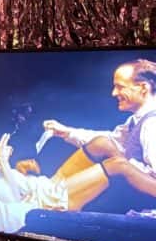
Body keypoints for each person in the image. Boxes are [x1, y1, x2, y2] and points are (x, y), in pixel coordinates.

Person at [43, 59, 156, 204]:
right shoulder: (137, 120)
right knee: (102, 143)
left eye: (120, 87)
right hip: (137, 187)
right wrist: (67, 132)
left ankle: (53, 198)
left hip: (149, 197)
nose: (114, 93)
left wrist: (124, 164)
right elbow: (110, 140)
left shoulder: (152, 124)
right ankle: (50, 188)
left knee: (118, 164)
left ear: (143, 88)